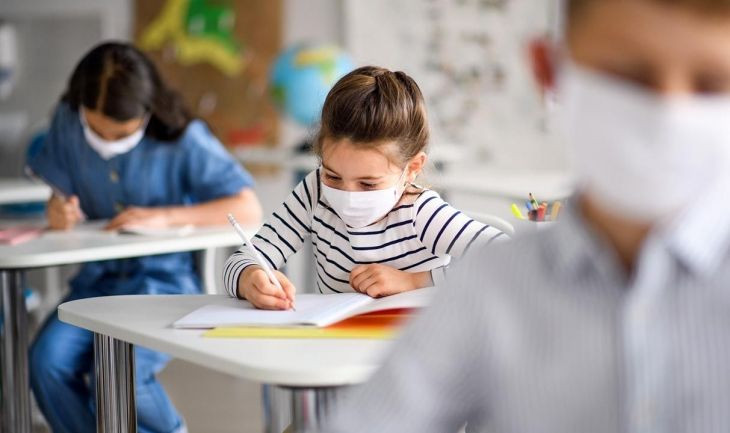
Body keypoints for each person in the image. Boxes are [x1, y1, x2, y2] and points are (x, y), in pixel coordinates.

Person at [322, 0, 730, 432]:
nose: (666, 114)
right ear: (549, 71)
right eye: (628, 75)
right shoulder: (486, 290)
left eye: (712, 83)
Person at [28, 42, 262, 433]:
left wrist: (167, 216)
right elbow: (59, 193)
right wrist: (58, 211)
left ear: (147, 111)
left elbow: (247, 207)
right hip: (94, 284)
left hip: (163, 284)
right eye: (95, 129)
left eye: (119, 133)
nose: (105, 141)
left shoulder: (184, 138)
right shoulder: (67, 123)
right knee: (46, 362)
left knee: (118, 374)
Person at [223, 66, 506, 309]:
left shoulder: (421, 212)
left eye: (368, 184)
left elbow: (508, 259)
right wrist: (250, 278)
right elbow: (244, 258)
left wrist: (414, 281)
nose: (347, 195)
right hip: (337, 350)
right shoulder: (314, 191)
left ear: (412, 168)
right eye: (333, 176)